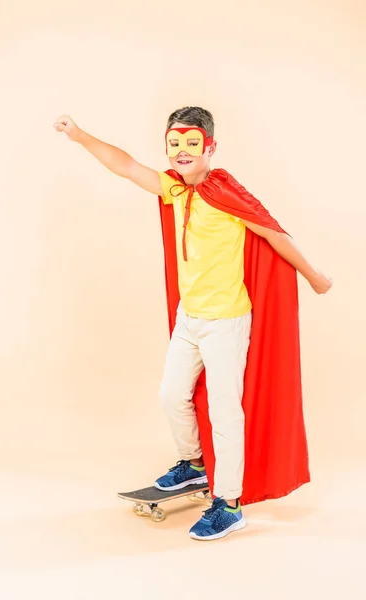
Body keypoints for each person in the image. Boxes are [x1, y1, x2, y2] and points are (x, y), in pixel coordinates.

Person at [53, 106, 332, 541]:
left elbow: (274, 233)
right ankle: (194, 464)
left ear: (210, 147)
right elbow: (125, 166)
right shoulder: (173, 189)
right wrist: (80, 136)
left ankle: (230, 503)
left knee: (225, 410)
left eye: (191, 143)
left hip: (226, 321)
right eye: (174, 144)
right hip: (191, 318)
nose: (182, 152)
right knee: (171, 393)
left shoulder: (228, 194)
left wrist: (314, 277)